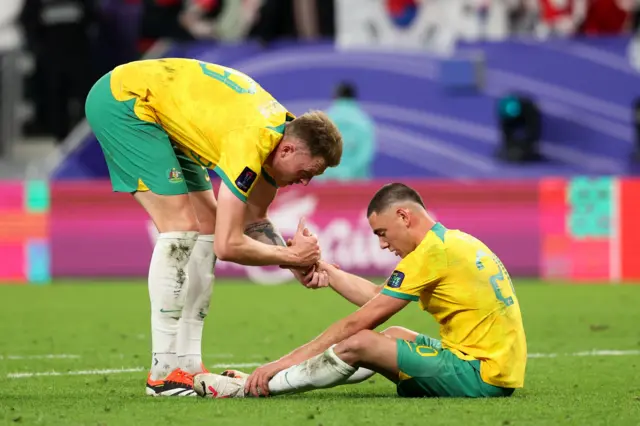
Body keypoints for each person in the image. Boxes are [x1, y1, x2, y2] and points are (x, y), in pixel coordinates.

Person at [84, 58, 343, 396]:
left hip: (165, 115)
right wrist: (292, 257)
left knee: (205, 223)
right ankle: (162, 373)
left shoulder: (281, 141)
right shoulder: (252, 141)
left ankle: (189, 364)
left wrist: (296, 261)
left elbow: (255, 220)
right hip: (125, 101)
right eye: (307, 171)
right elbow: (228, 245)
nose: (306, 181)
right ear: (290, 149)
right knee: (180, 225)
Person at [195, 183, 527, 399]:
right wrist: (323, 267)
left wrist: (277, 366)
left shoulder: (431, 254)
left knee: (361, 341)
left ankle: (254, 387)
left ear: (403, 216)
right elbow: (376, 296)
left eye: (383, 233)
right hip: (489, 366)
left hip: (481, 375)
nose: (382, 244)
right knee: (394, 332)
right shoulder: (449, 242)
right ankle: (269, 379)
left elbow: (357, 323)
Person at [316, 82, 376, 181]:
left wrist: (332, 173)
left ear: (335, 96)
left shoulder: (324, 118)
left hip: (327, 183)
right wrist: (348, 172)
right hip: (357, 184)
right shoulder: (364, 121)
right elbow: (367, 153)